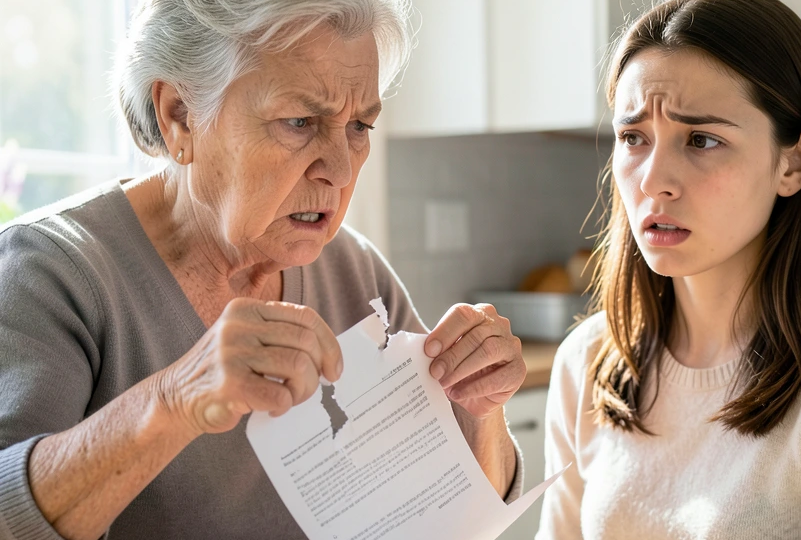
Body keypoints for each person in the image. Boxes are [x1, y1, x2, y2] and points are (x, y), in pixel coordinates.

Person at [0, 1, 527, 538]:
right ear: (179, 116)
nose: (341, 169)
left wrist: (481, 409)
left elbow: (464, 513)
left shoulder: (355, 271)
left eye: (359, 125)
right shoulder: (49, 272)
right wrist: (176, 399)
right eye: (299, 122)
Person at [536, 0, 801, 538]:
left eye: (702, 140)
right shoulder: (586, 361)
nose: (653, 180)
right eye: (633, 138)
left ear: (795, 163)